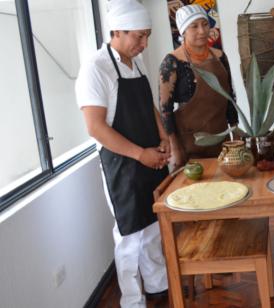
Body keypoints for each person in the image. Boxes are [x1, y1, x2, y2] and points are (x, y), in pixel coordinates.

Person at [74, 0, 170, 307]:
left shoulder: (135, 62)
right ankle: (132, 300)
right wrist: (141, 154)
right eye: (138, 36)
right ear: (117, 30)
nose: (144, 44)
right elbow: (96, 128)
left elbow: (149, 105)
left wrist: (163, 135)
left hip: (149, 156)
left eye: (147, 36)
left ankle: (157, 285)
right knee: (130, 236)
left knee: (153, 226)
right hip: (122, 164)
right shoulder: (95, 68)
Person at [159, 4, 238, 168]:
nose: (202, 31)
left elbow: (229, 97)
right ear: (183, 31)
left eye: (205, 24)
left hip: (221, 140)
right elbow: (165, 109)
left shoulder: (220, 56)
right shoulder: (172, 62)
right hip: (189, 145)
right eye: (194, 26)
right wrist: (175, 147)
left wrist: (235, 133)